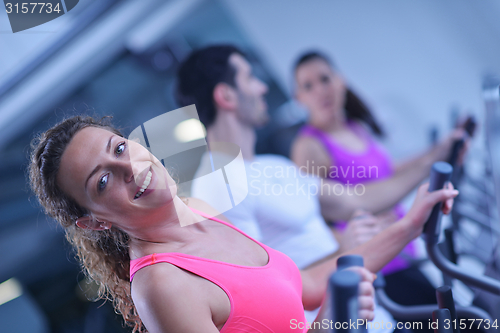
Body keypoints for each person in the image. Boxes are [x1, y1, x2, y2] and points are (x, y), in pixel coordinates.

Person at [177, 45, 459, 329]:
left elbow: (352, 201)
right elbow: (258, 291)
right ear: (226, 96)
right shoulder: (217, 187)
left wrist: (436, 161)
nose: (262, 88)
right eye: (250, 78)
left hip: (373, 317)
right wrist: (343, 250)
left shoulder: (273, 165)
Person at [29, 115, 379, 333]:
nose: (129, 169)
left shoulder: (198, 210)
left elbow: (310, 287)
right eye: (102, 182)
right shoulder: (161, 286)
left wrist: (410, 223)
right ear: (93, 223)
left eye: (119, 149)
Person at [290, 51, 467, 306]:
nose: (320, 90)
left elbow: (387, 173)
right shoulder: (309, 146)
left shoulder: (355, 127)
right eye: (308, 86)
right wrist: (352, 239)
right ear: (299, 98)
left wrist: (439, 151)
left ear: (340, 80)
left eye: (325, 79)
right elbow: (309, 221)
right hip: (378, 268)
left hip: (404, 253)